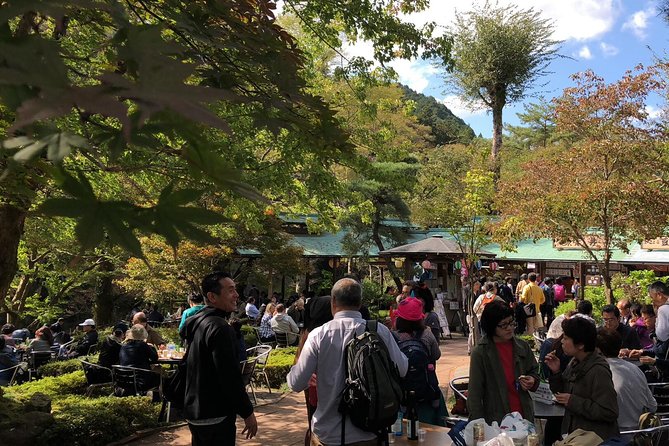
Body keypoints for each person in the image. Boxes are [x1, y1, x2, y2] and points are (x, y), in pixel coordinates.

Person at [287, 278, 408, 445]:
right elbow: (403, 369)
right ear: (360, 302)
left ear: (333, 301)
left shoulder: (319, 335)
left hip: (328, 434)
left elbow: (296, 383)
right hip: (369, 432)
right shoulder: (378, 330)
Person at [182, 271, 257, 444]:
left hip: (195, 410)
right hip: (215, 413)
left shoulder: (199, 322)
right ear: (212, 296)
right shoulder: (220, 327)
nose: (237, 295)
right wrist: (247, 412)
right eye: (230, 290)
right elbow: (229, 375)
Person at [544, 317, 619, 441]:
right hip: (575, 436)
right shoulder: (575, 362)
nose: (562, 341)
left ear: (580, 345)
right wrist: (556, 372)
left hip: (594, 439)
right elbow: (562, 394)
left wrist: (573, 401)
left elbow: (609, 411)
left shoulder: (598, 370)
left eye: (566, 338)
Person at [468, 300, 540, 424]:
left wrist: (532, 380)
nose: (509, 328)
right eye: (503, 325)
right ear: (491, 326)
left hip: (523, 415)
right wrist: (478, 426)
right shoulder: (481, 353)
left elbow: (534, 372)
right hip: (496, 419)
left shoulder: (522, 347)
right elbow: (475, 394)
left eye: (511, 323)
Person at [392, 297, 446, 426]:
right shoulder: (427, 334)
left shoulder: (393, 337)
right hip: (426, 391)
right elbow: (436, 355)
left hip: (402, 394)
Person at [596, 328, 656, 437]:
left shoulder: (600, 373)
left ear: (598, 350)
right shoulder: (635, 369)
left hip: (614, 436)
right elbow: (653, 406)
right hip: (642, 434)